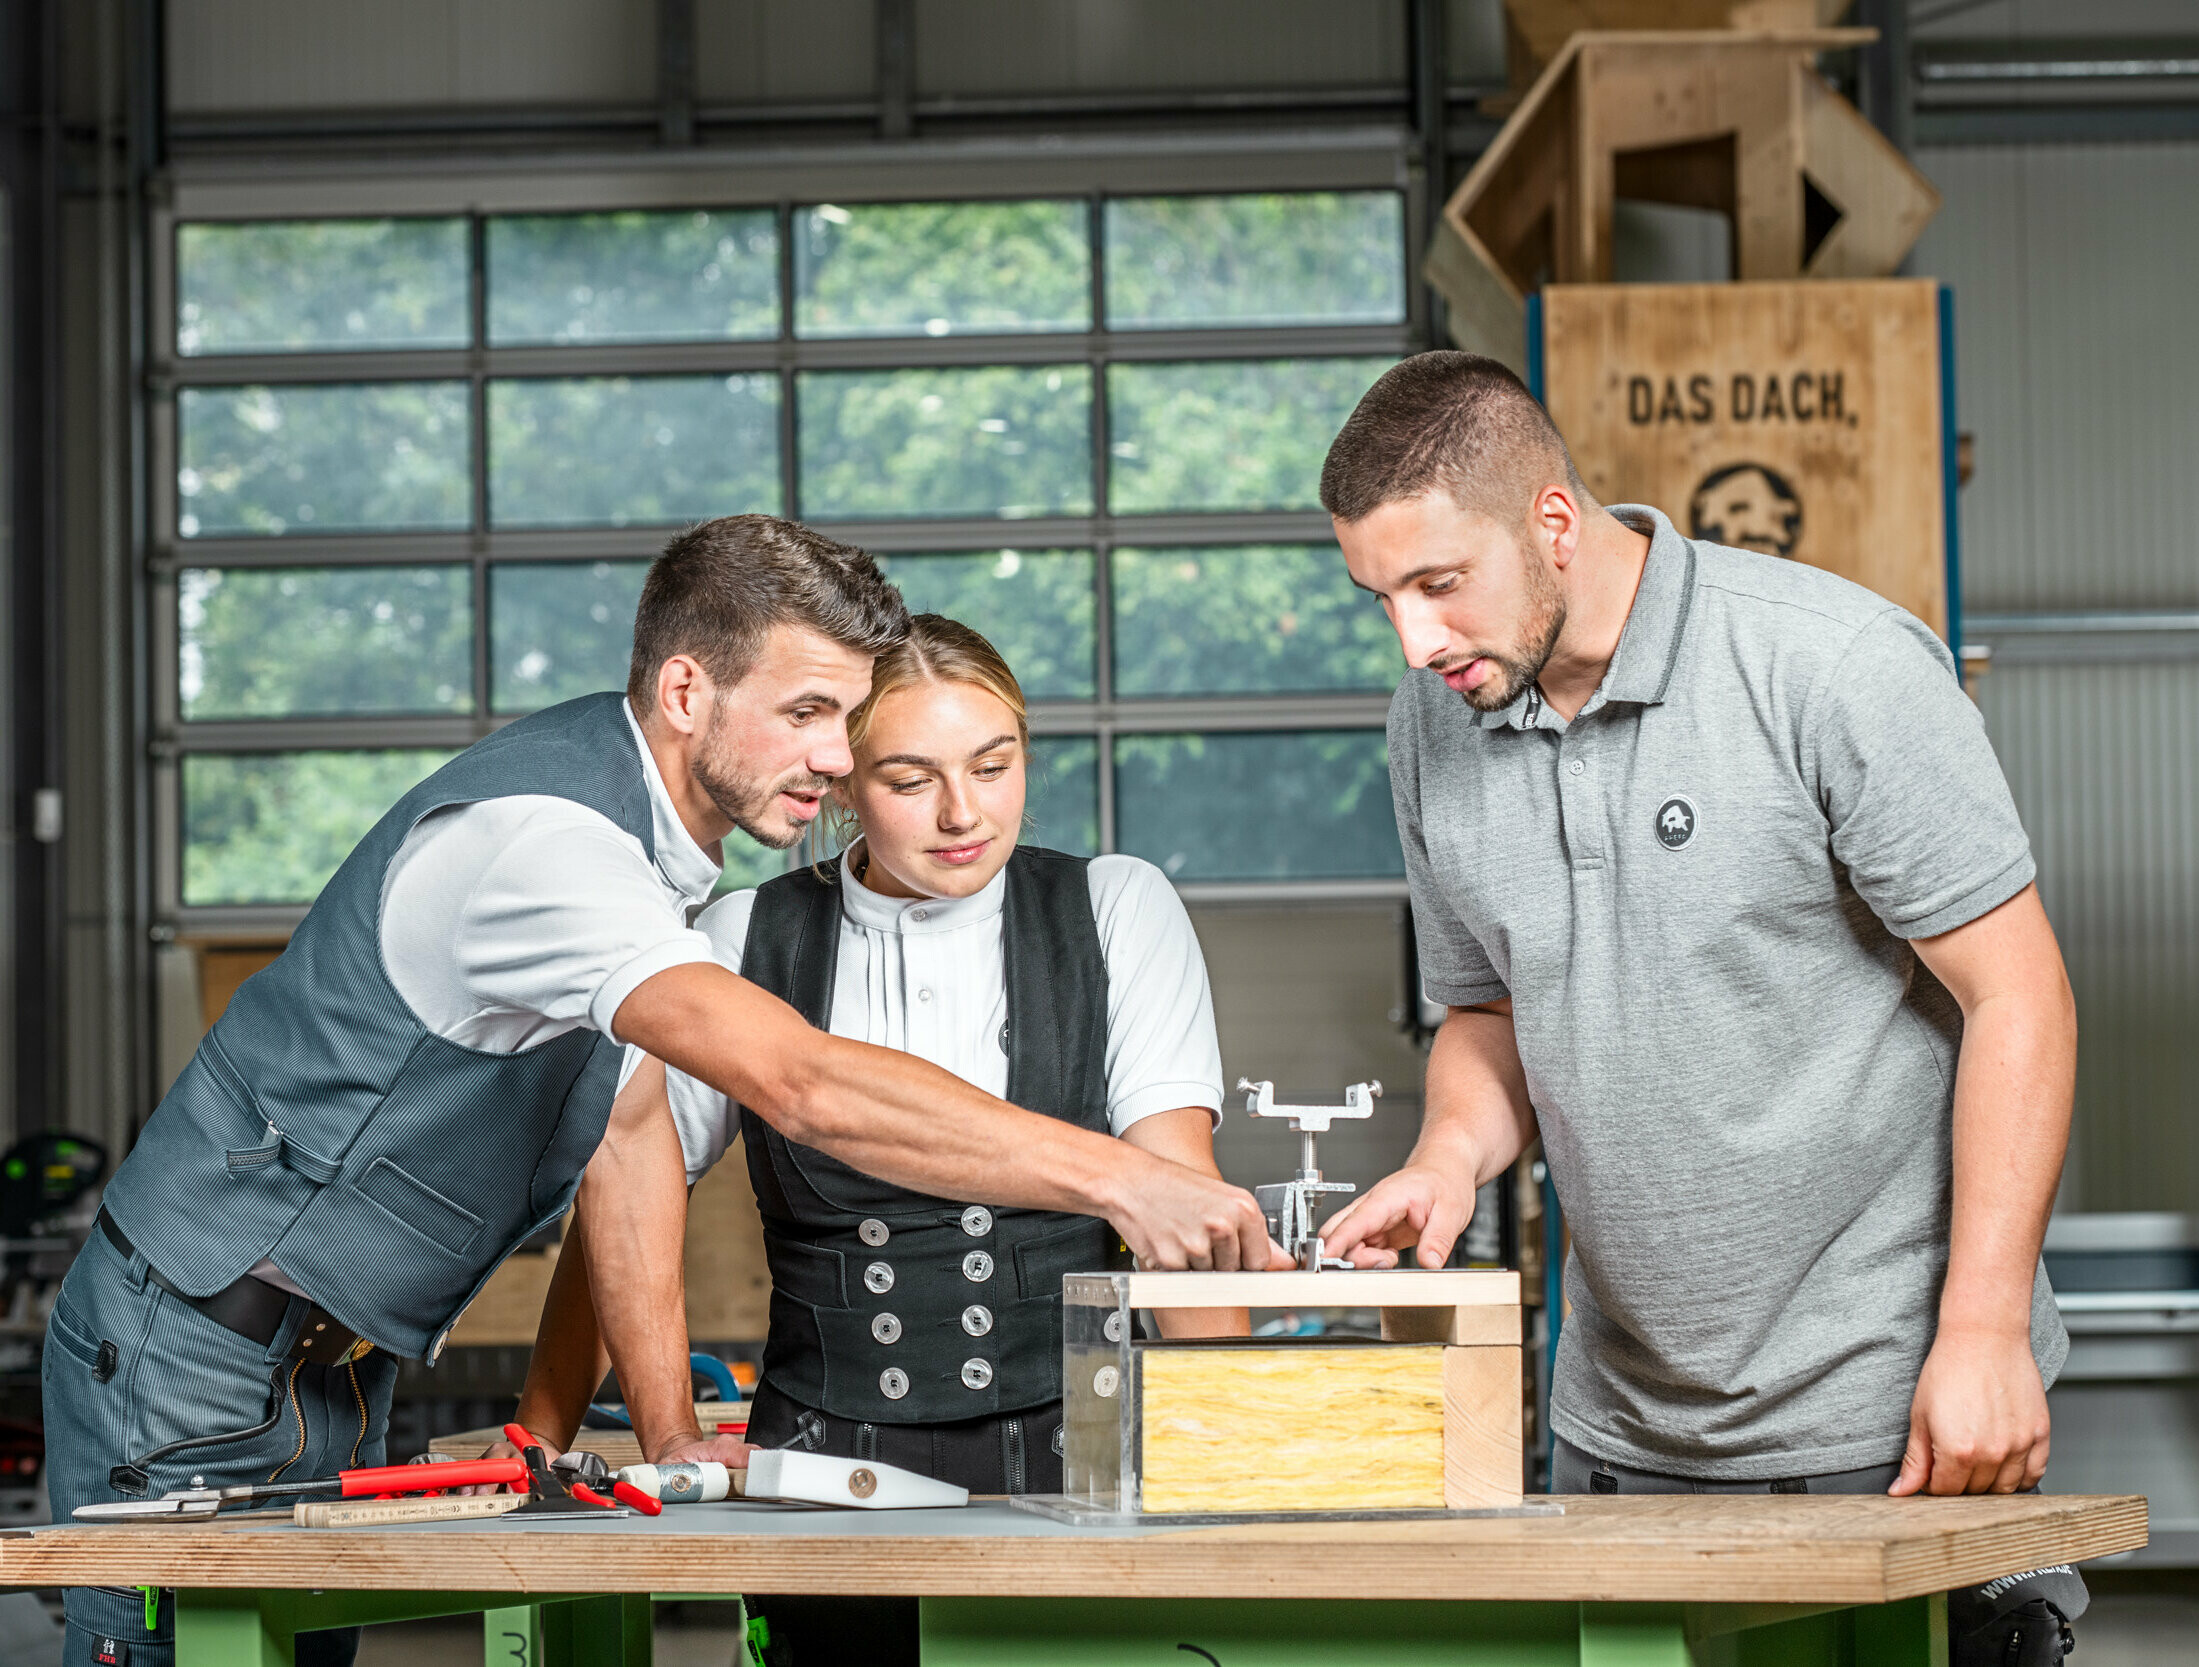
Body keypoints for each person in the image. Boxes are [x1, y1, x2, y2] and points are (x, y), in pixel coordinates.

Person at [43, 518, 1278, 1667]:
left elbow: (620, 1143)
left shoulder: (662, 858)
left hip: (326, 1358)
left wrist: (620, 1428)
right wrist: (1119, 1174)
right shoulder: (555, 850)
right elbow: (796, 1080)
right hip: (196, 1339)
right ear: (687, 690)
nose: (838, 759)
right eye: (808, 713)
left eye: (851, 720)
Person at [1315, 353, 2086, 1664]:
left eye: (1439, 583)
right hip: (1614, 1435)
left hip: (1883, 1420)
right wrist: (1445, 1158)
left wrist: (1983, 1328)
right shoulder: (1431, 725)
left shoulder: (1830, 666)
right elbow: (1486, 1008)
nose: (1414, 638)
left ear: (1551, 521)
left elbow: (2018, 993)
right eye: (1379, 594)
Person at [511, 614, 1248, 1664]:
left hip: (1079, 1458)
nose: (963, 812)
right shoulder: (737, 939)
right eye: (909, 779)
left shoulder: (1115, 907)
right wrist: (580, 1427)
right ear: (841, 780)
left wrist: (1250, 1468)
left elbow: (1179, 1196)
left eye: (994, 766)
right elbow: (628, 1187)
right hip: (818, 1472)